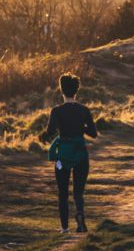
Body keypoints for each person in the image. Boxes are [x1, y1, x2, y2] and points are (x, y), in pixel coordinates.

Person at [42, 73, 98, 234]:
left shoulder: (57, 111)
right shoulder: (84, 110)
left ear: (62, 90)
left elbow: (50, 131)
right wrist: (81, 128)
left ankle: (65, 227)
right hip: (80, 153)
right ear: (76, 91)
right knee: (78, 192)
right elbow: (93, 133)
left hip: (63, 156)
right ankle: (80, 216)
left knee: (63, 192)